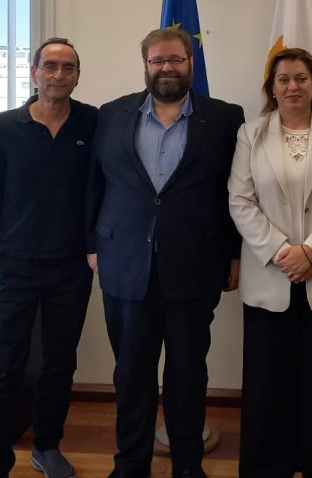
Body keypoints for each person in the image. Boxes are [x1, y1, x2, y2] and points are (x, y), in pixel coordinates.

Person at [86, 27, 244, 478]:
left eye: (175, 59)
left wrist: (234, 255)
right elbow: (94, 183)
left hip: (195, 267)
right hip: (124, 263)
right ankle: (129, 465)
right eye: (158, 60)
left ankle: (187, 466)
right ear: (146, 65)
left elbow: (235, 193)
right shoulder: (111, 114)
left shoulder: (226, 118)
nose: (167, 67)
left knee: (188, 374)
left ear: (191, 62)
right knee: (131, 374)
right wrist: (91, 244)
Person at [228, 47, 312, 478]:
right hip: (270, 278)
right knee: (268, 384)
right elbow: (240, 200)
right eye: (283, 79)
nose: (292, 87)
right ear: (271, 87)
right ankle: (268, 467)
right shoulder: (250, 134)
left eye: (301, 78)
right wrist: (282, 251)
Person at [0, 37, 97, 478]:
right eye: (50, 66)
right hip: (16, 265)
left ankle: (46, 446)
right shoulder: (4, 127)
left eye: (68, 68)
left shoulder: (93, 122)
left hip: (72, 268)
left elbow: (101, 189)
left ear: (77, 76)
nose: (58, 75)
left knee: (59, 364)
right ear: (33, 73)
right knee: (5, 367)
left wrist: (95, 247)